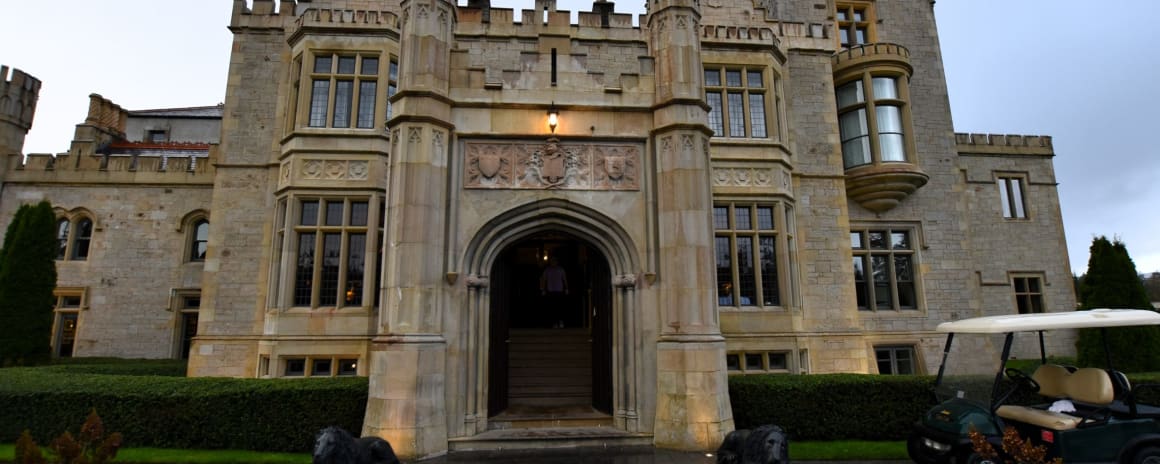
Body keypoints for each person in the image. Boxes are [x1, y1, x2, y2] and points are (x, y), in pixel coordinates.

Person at [540, 257, 569, 328]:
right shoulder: (547, 270)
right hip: (551, 290)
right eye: (552, 261)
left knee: (560, 307)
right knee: (552, 307)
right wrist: (543, 289)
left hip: (559, 290)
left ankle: (561, 321)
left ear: (557, 262)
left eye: (554, 261)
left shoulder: (560, 269)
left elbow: (564, 278)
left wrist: (566, 288)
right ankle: (555, 322)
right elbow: (543, 279)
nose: (553, 262)